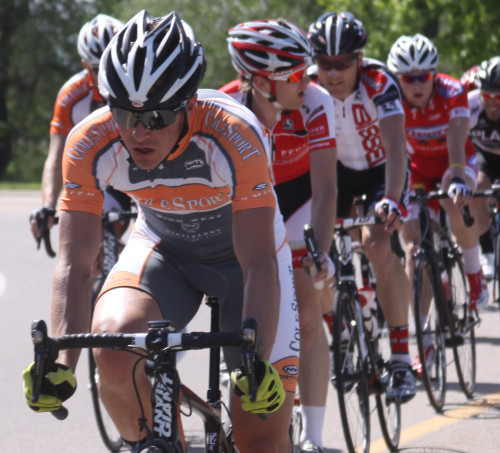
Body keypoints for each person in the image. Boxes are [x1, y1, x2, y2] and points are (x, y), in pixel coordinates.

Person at [22, 10, 301, 453]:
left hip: (245, 262)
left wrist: (258, 359)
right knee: (113, 351)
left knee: (260, 429)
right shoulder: (89, 142)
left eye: (156, 118)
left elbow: (260, 262)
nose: (136, 133)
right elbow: (75, 265)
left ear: (190, 104)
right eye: (122, 113)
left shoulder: (234, 134)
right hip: (163, 249)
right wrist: (60, 361)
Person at [223, 19, 337, 453]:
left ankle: (313, 437)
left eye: (307, 71)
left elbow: (327, 186)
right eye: (295, 75)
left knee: (307, 304)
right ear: (260, 82)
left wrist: (319, 251)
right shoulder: (229, 105)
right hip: (252, 204)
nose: (306, 82)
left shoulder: (316, 101)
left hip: (301, 196)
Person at [308, 11, 416, 404]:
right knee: (315, 252)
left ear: (359, 59)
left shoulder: (379, 82)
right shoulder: (305, 86)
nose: (332, 73)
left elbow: (394, 149)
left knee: (375, 243)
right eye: (324, 64)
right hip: (333, 173)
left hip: (378, 172)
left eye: (342, 64)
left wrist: (391, 197)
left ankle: (402, 359)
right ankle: (342, 328)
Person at [387, 33, 489, 373]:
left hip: (455, 164)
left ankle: (475, 275)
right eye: (408, 78)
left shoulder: (451, 91)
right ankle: (427, 346)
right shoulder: (391, 99)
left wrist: (458, 177)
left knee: (450, 197)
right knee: (414, 252)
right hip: (417, 172)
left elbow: (458, 138)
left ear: (433, 75)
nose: (416, 85)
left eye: (422, 77)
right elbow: (395, 151)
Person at [29, 13, 130, 245]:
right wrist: (47, 206)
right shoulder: (71, 96)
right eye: (98, 68)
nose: (108, 76)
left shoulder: (145, 89)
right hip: (102, 177)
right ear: (85, 66)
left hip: (142, 170)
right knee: (88, 243)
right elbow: (55, 158)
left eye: (115, 65)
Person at [467, 57, 500, 279]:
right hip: (484, 156)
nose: (491, 102)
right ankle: (487, 252)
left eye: (498, 97)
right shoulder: (470, 104)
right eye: (486, 95)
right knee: (476, 189)